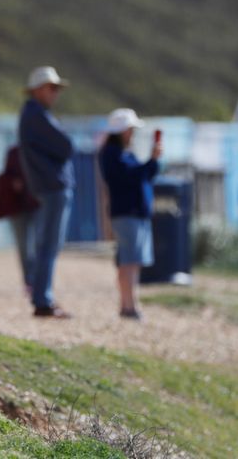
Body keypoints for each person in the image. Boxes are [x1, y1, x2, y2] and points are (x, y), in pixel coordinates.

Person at [18, 66, 75, 318]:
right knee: (48, 245)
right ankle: (43, 299)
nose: (55, 94)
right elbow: (65, 146)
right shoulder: (36, 115)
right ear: (39, 89)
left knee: (47, 244)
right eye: (52, 88)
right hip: (52, 187)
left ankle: (43, 296)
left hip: (49, 186)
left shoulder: (34, 114)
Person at [99, 109, 161, 320]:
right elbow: (131, 178)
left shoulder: (124, 153)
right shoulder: (112, 154)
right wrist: (150, 162)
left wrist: (153, 161)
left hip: (135, 213)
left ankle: (129, 304)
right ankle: (129, 306)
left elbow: (144, 176)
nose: (133, 133)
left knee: (132, 261)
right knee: (129, 261)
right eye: (130, 129)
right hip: (127, 213)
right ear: (122, 130)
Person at [0, 145, 40, 295]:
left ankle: (40, 279)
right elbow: (6, 174)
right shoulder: (13, 152)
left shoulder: (38, 151)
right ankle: (29, 281)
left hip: (37, 204)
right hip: (17, 206)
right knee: (24, 246)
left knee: (39, 244)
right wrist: (13, 182)